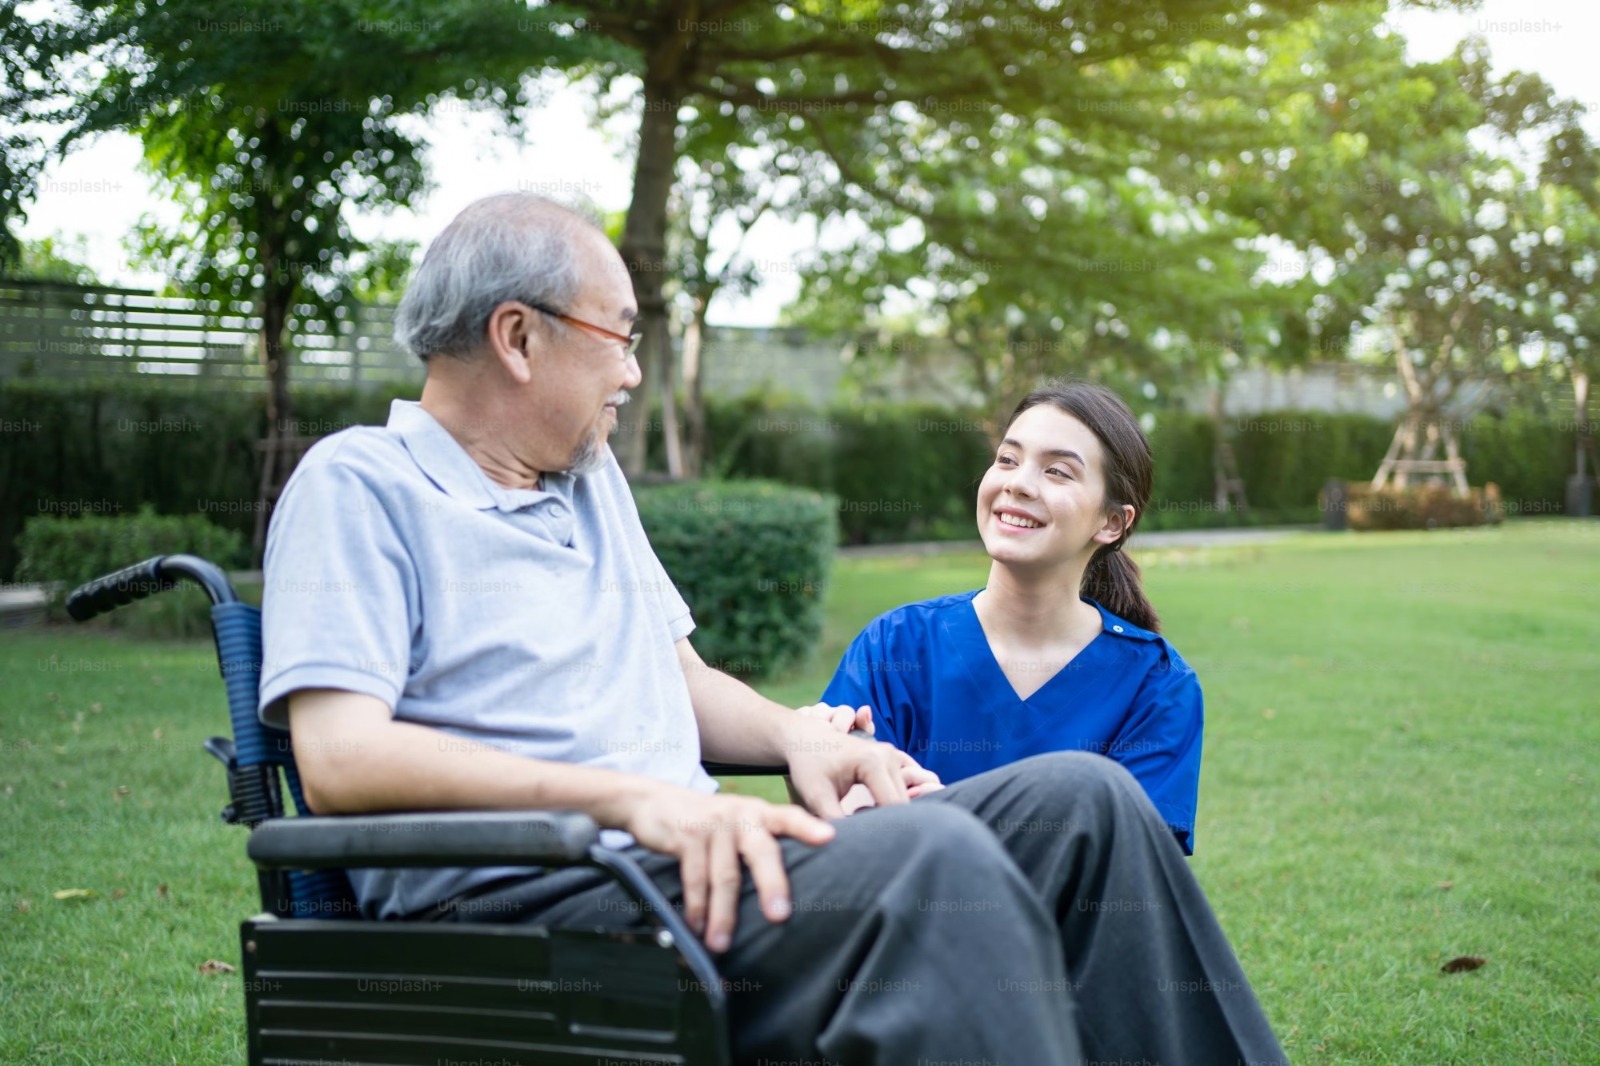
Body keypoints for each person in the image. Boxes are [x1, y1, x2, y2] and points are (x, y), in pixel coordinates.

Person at [259, 191, 1287, 1066]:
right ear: (519, 337)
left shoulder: (585, 480)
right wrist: (640, 804)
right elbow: (343, 760)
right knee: (931, 857)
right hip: (530, 911)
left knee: (1088, 801)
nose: (630, 371)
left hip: (683, 875)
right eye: (619, 336)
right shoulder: (361, 485)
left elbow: (679, 677)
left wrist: (799, 732)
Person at [819, 382, 1204, 851]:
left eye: (1058, 471)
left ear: (1112, 523)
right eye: (1007, 459)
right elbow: (849, 831)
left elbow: (1128, 866)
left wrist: (951, 818)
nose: (1017, 483)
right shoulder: (896, 648)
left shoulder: (1157, 686)